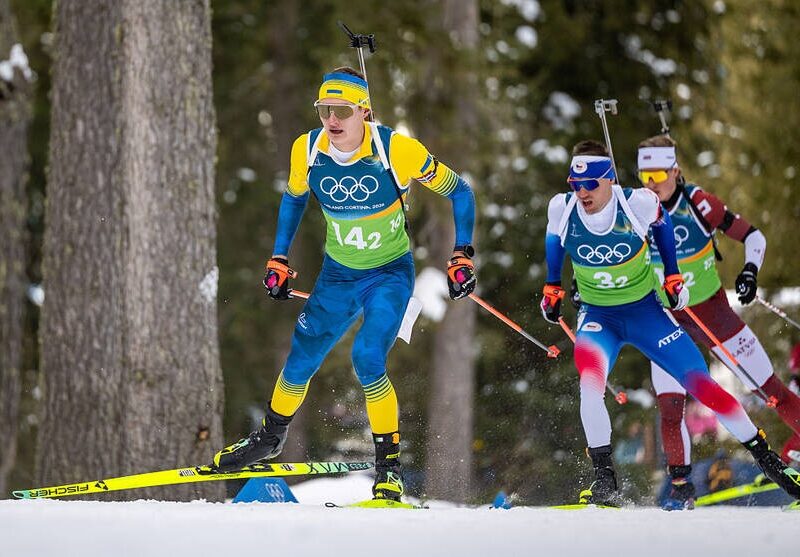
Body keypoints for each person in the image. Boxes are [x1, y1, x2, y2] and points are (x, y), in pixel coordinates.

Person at [211, 68, 477, 502]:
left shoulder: (397, 150)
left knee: (367, 357)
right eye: (324, 111)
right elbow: (295, 197)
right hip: (338, 274)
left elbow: (460, 191)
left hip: (388, 274)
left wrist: (462, 252)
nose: (332, 121)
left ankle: (388, 469)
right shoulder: (309, 148)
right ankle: (271, 437)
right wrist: (279, 256)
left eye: (343, 111)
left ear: (364, 113)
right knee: (300, 359)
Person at [539, 139, 800, 507]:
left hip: (650, 313)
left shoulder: (640, 203)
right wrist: (553, 285)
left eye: (591, 184)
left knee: (705, 385)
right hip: (600, 318)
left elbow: (662, 225)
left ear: (610, 180)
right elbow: (554, 240)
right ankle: (607, 480)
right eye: (575, 184)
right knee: (591, 385)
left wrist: (674, 277)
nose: (582, 193)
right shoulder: (562, 208)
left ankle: (769, 460)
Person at [638, 134, 800, 508]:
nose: (651, 182)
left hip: (713, 314)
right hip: (667, 320)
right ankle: (680, 490)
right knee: (670, 407)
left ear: (675, 171)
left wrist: (749, 272)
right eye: (644, 174)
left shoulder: (699, 204)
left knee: (772, 391)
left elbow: (754, 236)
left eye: (659, 173)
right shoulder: (634, 208)